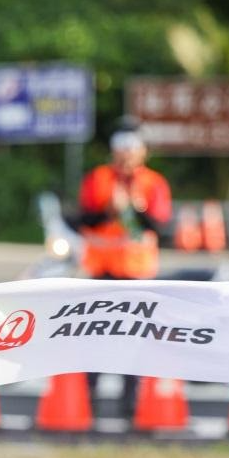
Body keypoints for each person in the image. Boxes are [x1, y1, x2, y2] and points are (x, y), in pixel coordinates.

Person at [71, 121, 171, 416]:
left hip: (138, 273)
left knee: (135, 340)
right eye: (121, 148)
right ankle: (88, 399)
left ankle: (131, 403)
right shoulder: (98, 178)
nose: (126, 154)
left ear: (143, 152)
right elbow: (82, 219)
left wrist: (135, 209)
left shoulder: (154, 183)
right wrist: (109, 211)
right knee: (95, 337)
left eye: (132, 148)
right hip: (101, 271)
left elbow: (160, 227)